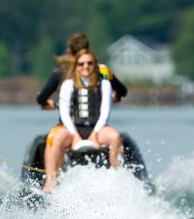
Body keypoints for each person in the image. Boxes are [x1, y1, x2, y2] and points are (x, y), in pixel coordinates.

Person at [36, 33, 127, 193]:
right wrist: (117, 97)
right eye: (82, 64)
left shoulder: (64, 72)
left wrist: (46, 104)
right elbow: (122, 90)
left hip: (96, 126)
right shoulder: (101, 71)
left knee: (50, 138)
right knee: (55, 137)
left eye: (90, 63)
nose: (86, 67)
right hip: (71, 125)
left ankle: (118, 182)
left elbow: (42, 97)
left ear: (69, 50)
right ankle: (52, 182)